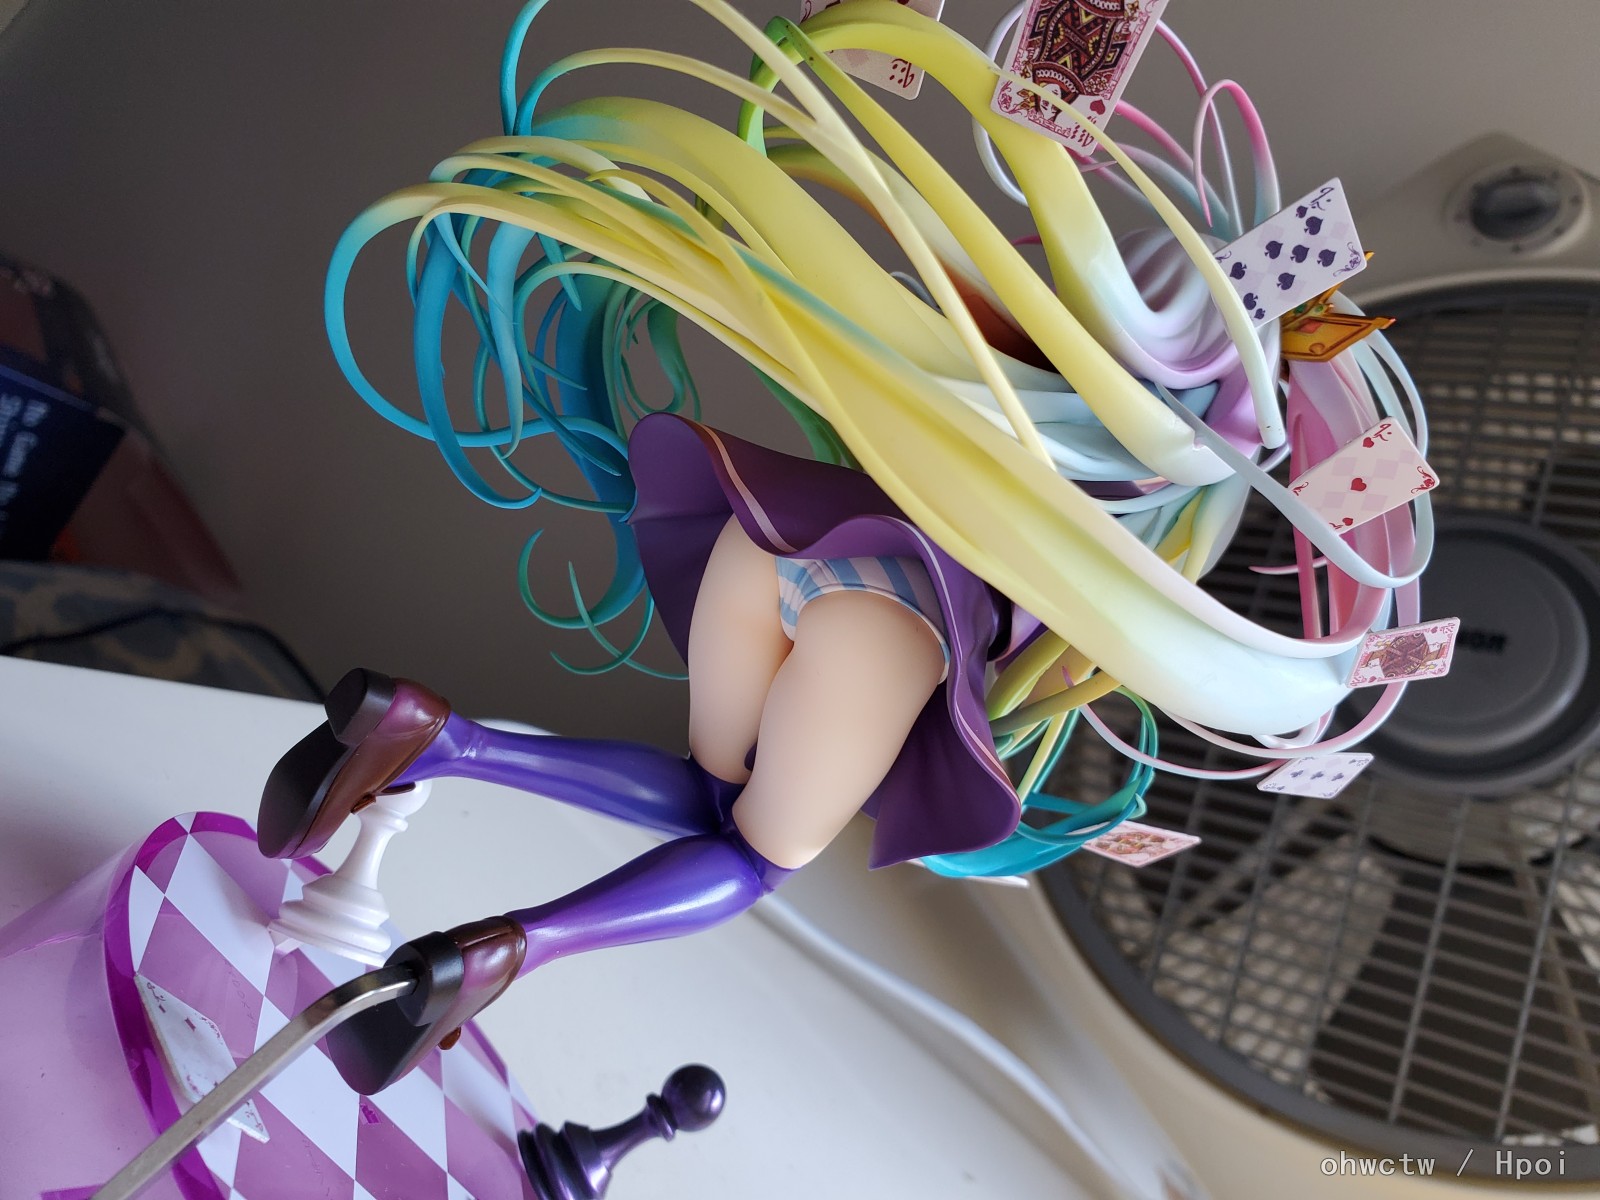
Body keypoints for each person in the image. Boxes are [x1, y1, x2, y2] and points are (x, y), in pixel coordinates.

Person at [271, 0, 1428, 1095]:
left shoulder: (1007, 327)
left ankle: (432, 737)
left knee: (714, 792)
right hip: (891, 618)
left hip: (777, 539)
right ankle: (503, 946)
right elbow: (1145, 605)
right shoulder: (1191, 454)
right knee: (756, 859)